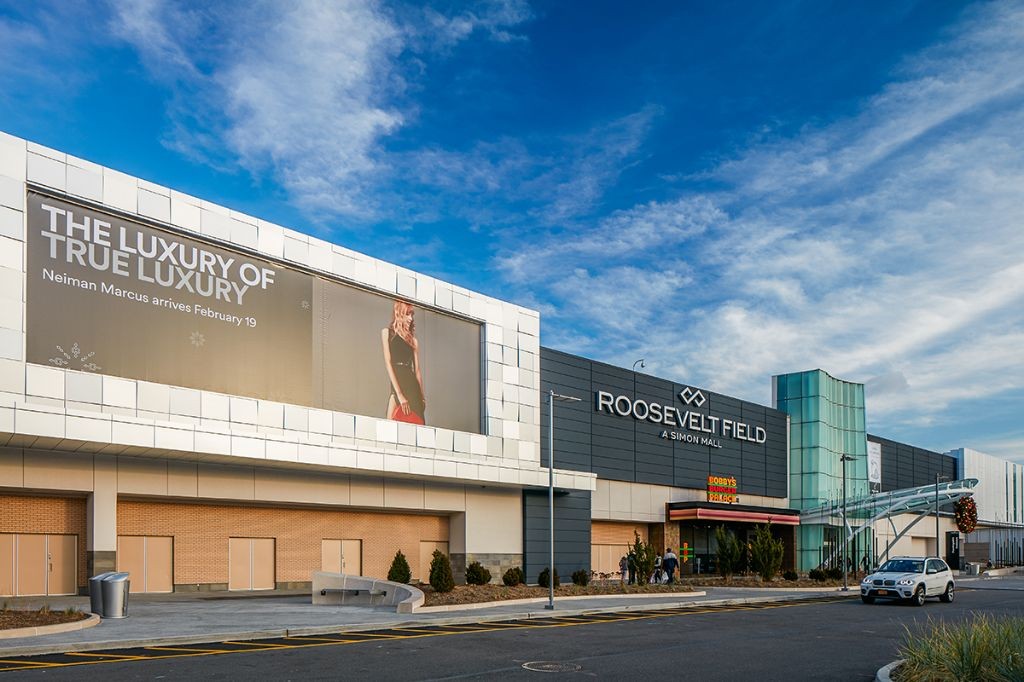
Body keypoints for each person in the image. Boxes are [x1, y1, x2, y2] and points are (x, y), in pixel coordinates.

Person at [381, 300, 426, 425]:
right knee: (389, 426)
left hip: (412, 387)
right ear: (399, 313)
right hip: (397, 385)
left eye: (412, 314)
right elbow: (388, 363)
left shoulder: (413, 341)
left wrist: (422, 397)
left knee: (417, 427)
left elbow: (417, 370)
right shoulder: (386, 333)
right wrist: (400, 395)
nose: (410, 318)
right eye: (407, 314)